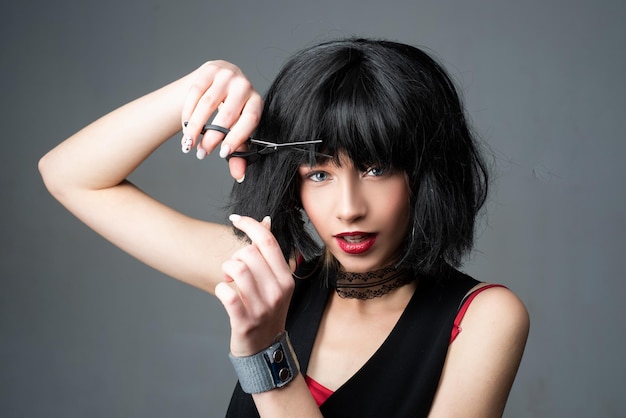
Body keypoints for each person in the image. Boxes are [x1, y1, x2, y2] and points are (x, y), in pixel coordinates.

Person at [39, 38, 530, 417]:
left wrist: (266, 355)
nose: (348, 208)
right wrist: (202, 87)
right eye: (319, 173)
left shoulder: (483, 318)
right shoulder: (275, 274)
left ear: (427, 173)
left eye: (377, 168)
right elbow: (69, 176)